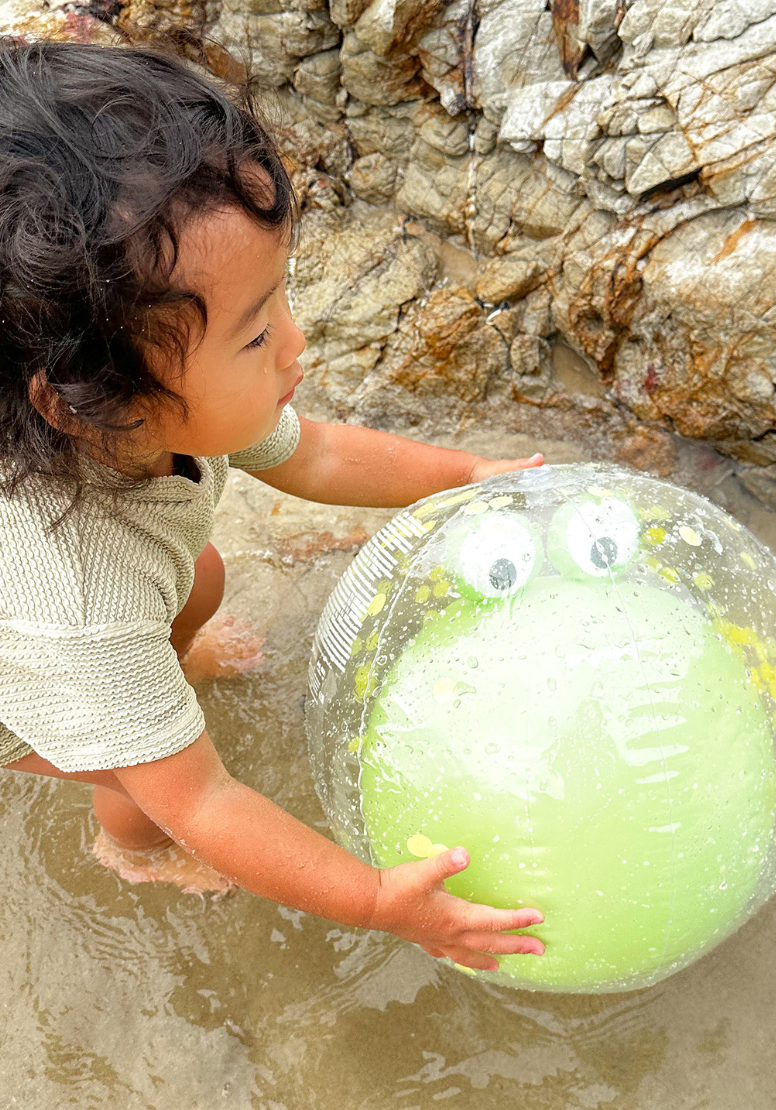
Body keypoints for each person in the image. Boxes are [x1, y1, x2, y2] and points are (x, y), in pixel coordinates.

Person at [0, 38, 546, 973]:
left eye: (279, 300)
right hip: (24, 682)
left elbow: (321, 454)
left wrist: (464, 477)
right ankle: (129, 856)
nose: (298, 348)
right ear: (96, 402)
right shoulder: (81, 609)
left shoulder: (147, 405)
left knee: (198, 574)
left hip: (103, 596)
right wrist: (376, 900)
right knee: (142, 774)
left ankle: (169, 665)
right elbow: (206, 801)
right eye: (257, 335)